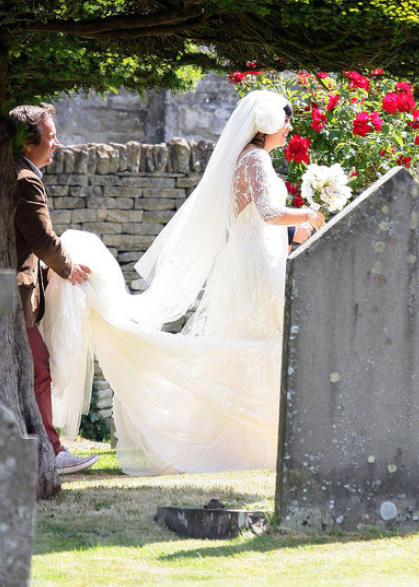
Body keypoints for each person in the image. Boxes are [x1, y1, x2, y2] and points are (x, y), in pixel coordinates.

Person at [41, 90, 324, 475]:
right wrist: (307, 213)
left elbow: (255, 219)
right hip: (258, 266)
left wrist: (296, 233)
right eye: (286, 122)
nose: (289, 129)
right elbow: (269, 212)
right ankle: (257, 443)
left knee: (256, 344)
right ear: (267, 124)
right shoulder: (255, 158)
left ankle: (260, 441)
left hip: (256, 259)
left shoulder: (249, 158)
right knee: (263, 343)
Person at [10, 104, 99, 474]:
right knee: (38, 369)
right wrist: (68, 268)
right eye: (51, 137)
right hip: (13, 295)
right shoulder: (24, 178)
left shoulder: (17, 171)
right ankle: (51, 452)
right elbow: (42, 239)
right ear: (28, 144)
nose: (57, 144)